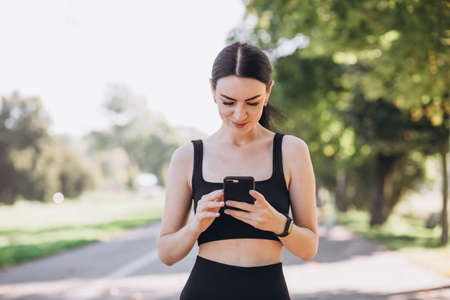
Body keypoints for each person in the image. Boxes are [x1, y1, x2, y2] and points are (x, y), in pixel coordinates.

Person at [157, 42, 318, 300]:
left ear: (268, 92)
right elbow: (166, 254)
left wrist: (278, 224)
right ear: (212, 90)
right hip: (205, 290)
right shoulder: (187, 157)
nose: (240, 114)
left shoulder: (291, 151)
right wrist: (195, 227)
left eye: (252, 103)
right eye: (228, 102)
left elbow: (309, 248)